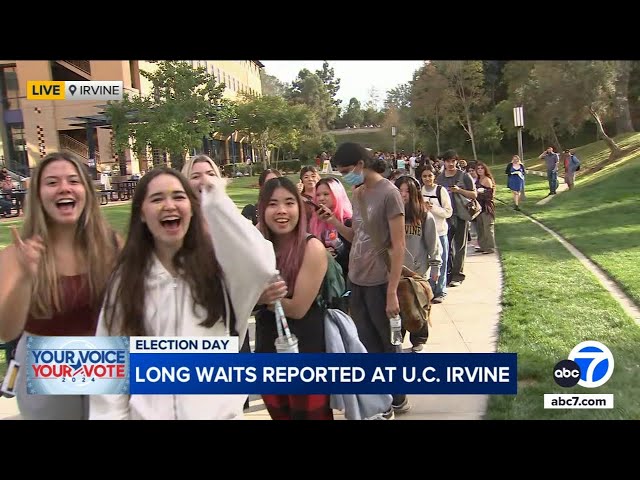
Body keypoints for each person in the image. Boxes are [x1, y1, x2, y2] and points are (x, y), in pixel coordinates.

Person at [90, 168, 277, 420]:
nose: (169, 205)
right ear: (142, 214)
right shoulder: (125, 281)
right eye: (157, 199)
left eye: (179, 197)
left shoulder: (221, 274)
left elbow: (261, 264)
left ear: (192, 208)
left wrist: (216, 200)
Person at [0, 151, 121, 420]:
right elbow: (6, 331)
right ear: (39, 195)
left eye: (73, 181)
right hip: (44, 365)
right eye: (52, 182)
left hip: (106, 362)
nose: (64, 188)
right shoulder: (16, 255)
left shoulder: (113, 245)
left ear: (87, 191)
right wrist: (25, 277)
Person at [333, 142, 408, 417]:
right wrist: (334, 221)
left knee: (389, 345)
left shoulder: (389, 194)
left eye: (347, 170)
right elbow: (357, 236)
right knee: (367, 344)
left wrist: (392, 292)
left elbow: (398, 246)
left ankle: (397, 397)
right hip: (357, 279)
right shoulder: (358, 193)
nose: (345, 176)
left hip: (381, 281)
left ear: (361, 165)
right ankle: (381, 400)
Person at [254, 177, 333, 420]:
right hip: (267, 348)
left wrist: (259, 297)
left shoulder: (312, 248)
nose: (281, 211)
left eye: (289, 203)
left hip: (306, 352)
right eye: (272, 204)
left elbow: (298, 308)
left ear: (300, 208)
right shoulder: (256, 247)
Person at [394, 175, 440, 353]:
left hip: (417, 272)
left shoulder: (424, 216)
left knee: (417, 308)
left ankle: (419, 340)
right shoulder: (391, 215)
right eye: (400, 190)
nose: (403, 194)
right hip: (396, 271)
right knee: (397, 309)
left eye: (407, 191)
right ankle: (397, 340)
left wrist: (435, 265)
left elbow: (433, 243)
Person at [436, 149, 477, 287]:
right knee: (445, 246)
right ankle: (447, 273)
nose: (451, 164)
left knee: (460, 246)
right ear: (444, 162)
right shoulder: (439, 178)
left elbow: (474, 195)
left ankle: (457, 275)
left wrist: (459, 190)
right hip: (444, 216)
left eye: (453, 161)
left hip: (460, 215)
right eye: (448, 161)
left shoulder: (464, 176)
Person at [310, 177, 353, 282]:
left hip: (346, 277)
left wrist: (334, 222)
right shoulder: (314, 221)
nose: (321, 198)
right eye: (318, 195)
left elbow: (355, 248)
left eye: (326, 194)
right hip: (325, 278)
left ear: (337, 195)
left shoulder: (348, 221)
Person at [421, 165, 452, 304]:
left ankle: (440, 290)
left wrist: (432, 208)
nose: (427, 178)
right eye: (424, 176)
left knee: (441, 262)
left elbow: (448, 212)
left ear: (434, 176)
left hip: (440, 232)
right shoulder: (420, 190)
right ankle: (429, 289)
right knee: (427, 263)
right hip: (425, 233)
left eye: (430, 175)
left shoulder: (441, 191)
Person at [474, 162, 496, 254]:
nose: (479, 170)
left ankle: (490, 247)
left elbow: (490, 195)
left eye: (481, 168)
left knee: (488, 227)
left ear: (485, 170)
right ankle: (483, 246)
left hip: (486, 206)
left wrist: (479, 193)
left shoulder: (487, 180)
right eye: (478, 168)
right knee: (480, 228)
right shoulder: (477, 180)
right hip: (479, 207)